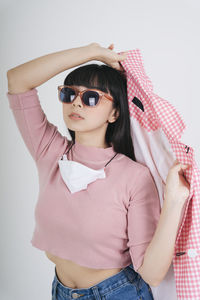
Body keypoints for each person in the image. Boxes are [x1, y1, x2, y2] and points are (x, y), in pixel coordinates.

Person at [7, 42, 190, 300]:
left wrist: (174, 200)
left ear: (114, 113)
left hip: (119, 293)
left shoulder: (133, 177)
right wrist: (93, 52)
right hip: (60, 291)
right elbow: (17, 80)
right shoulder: (49, 151)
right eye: (69, 94)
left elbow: (151, 273)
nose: (77, 104)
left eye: (91, 97)